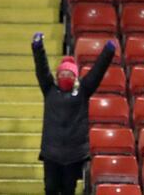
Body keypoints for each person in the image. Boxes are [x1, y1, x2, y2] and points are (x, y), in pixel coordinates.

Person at [31, 32, 115, 195]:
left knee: (69, 190)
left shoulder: (83, 90)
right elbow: (41, 68)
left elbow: (97, 72)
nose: (64, 76)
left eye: (68, 74)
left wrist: (108, 52)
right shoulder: (49, 89)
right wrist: (37, 47)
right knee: (50, 189)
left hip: (74, 154)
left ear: (75, 76)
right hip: (51, 152)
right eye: (62, 74)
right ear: (57, 76)